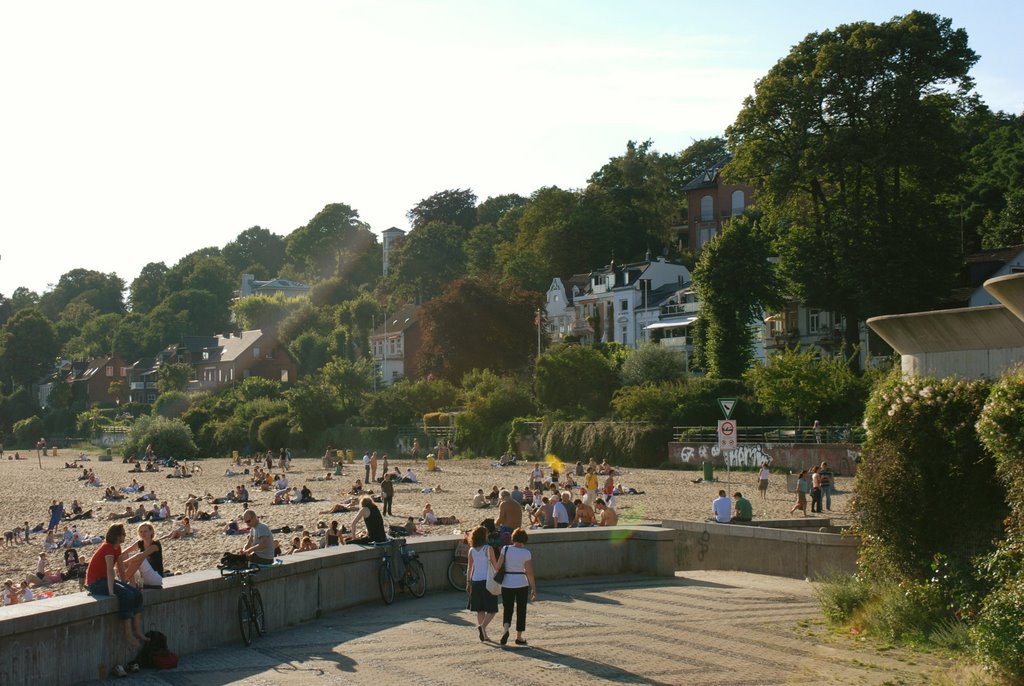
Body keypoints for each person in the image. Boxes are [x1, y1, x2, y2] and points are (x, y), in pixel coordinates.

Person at [85, 524, 146, 648]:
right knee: (126, 595)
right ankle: (128, 635)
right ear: (117, 536)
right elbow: (109, 570)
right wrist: (112, 591)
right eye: (123, 534)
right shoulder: (107, 548)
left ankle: (138, 631)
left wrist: (124, 582)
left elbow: (120, 567)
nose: (125, 535)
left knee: (136, 594)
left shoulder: (117, 548)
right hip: (95, 583)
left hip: (105, 580)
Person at [496, 527, 537, 646]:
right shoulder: (526, 553)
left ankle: (506, 629)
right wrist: (533, 588)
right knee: (521, 609)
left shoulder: (506, 549)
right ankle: (519, 637)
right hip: (521, 582)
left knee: (507, 608)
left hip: (507, 582)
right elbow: (529, 572)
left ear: (513, 538)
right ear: (524, 540)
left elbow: (498, 566)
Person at [465, 525, 499, 642]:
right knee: (492, 609)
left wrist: (468, 582)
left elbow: (470, 568)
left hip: (475, 581)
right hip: (487, 581)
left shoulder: (471, 550)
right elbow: (495, 565)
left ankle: (483, 634)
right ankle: (482, 627)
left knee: (480, 609)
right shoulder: (488, 549)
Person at [125, 522, 164, 589]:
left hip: (155, 578)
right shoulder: (140, 543)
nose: (143, 534)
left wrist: (125, 562)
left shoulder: (155, 545)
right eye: (141, 532)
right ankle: (131, 582)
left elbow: (141, 555)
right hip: (143, 578)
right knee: (126, 555)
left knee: (140, 558)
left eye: (145, 531)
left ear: (151, 532)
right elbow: (125, 552)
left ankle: (124, 579)